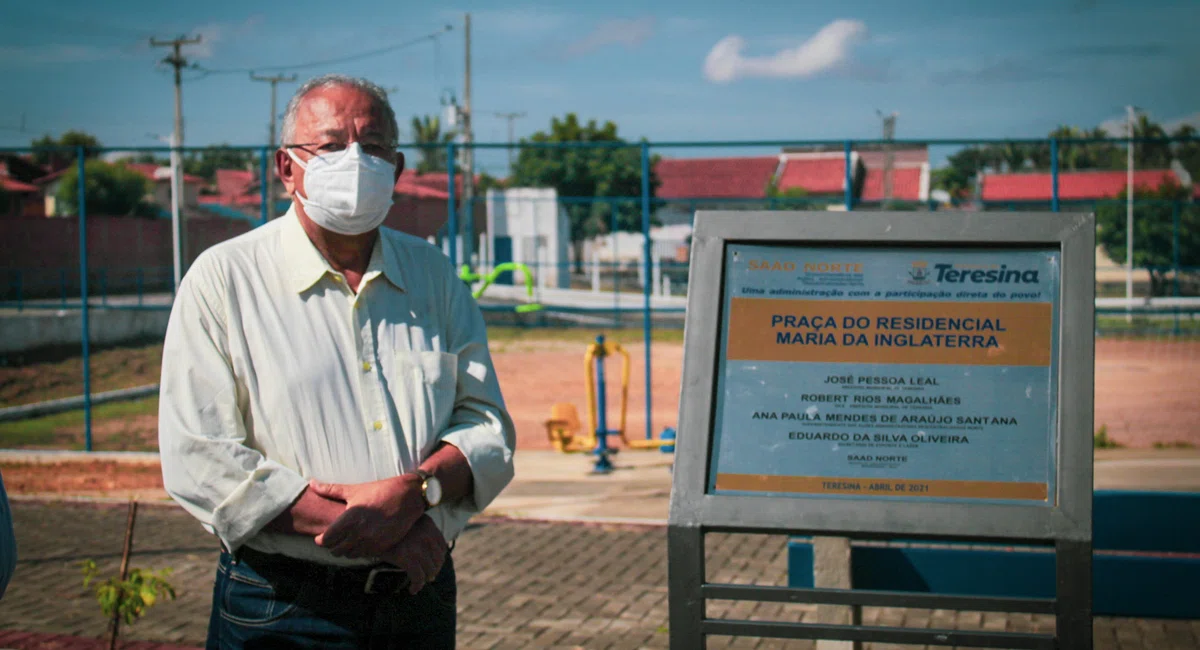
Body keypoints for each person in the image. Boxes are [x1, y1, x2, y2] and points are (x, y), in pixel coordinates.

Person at [157, 74, 516, 649]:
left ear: (397, 170)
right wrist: (381, 532)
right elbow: (199, 455)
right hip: (282, 606)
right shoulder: (224, 279)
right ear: (286, 168)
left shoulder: (433, 276)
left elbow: (486, 425)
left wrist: (419, 493)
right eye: (329, 146)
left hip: (415, 598)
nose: (354, 161)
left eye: (372, 148)